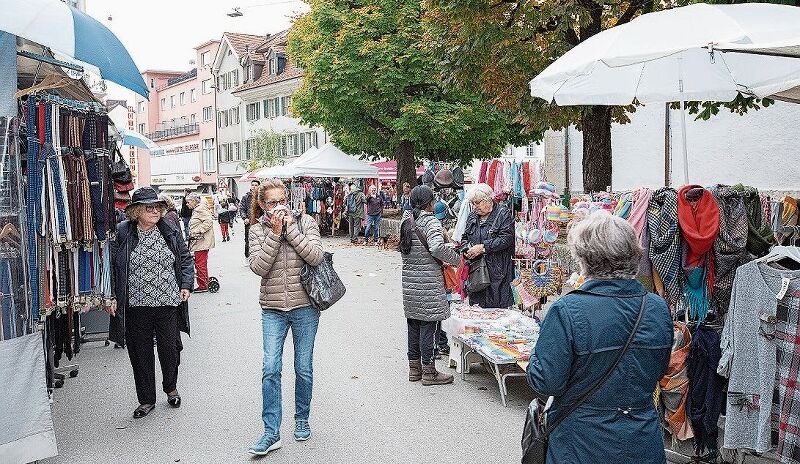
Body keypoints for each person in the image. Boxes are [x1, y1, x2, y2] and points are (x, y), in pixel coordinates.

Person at [526, 212, 673, 464]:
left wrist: (535, 360)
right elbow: (659, 369)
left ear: (584, 258)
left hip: (580, 442)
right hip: (641, 437)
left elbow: (546, 382)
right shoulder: (658, 308)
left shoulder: (567, 311)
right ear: (633, 255)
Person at [247, 178, 324, 456]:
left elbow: (315, 257)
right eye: (271, 202)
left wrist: (289, 230)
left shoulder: (306, 223)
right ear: (262, 205)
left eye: (282, 200)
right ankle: (271, 432)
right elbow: (258, 267)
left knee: (303, 367)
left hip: (305, 306)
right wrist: (274, 235)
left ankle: (302, 418)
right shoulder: (256, 231)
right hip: (272, 308)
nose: (278, 206)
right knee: (270, 367)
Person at [107, 187, 194, 419]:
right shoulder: (123, 232)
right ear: (136, 212)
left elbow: (185, 258)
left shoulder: (169, 230)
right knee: (140, 353)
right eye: (149, 207)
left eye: (158, 207)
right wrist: (112, 296)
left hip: (167, 302)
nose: (155, 211)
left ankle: (171, 387)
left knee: (170, 349)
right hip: (136, 305)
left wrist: (185, 284)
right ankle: (146, 400)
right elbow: (113, 268)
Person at [399, 185, 460, 386]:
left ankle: (414, 369)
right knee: (429, 325)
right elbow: (435, 247)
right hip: (428, 282)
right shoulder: (431, 221)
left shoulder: (405, 221)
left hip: (409, 281)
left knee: (413, 324)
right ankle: (429, 371)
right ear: (430, 203)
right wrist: (456, 259)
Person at [462, 183, 515, 308]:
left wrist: (483, 247)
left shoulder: (503, 214)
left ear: (488, 200)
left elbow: (507, 239)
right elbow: (464, 237)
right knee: (477, 312)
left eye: (477, 203)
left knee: (497, 312)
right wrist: (466, 249)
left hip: (498, 273)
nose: (475, 207)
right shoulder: (472, 216)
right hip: (477, 273)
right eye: (473, 203)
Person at [186, 192, 215, 293]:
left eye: (188, 202)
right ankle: (204, 282)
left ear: (194, 201)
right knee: (200, 263)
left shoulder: (200, 209)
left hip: (202, 241)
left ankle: (203, 285)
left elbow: (208, 222)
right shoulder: (197, 209)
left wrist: (198, 230)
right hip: (200, 241)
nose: (187, 204)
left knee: (200, 263)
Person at [241, 180, 260, 261]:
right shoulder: (246, 197)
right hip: (249, 222)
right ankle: (247, 257)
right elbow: (242, 209)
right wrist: (245, 218)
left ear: (259, 186)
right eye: (252, 185)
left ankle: (258, 257)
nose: (254, 186)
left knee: (259, 239)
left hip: (259, 222)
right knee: (248, 240)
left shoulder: (261, 197)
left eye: (256, 185)